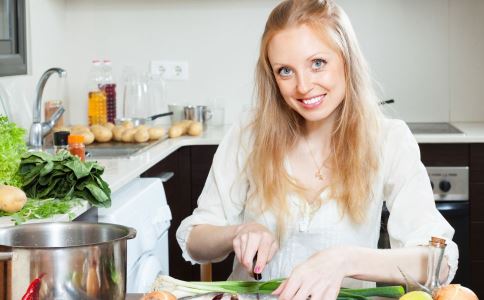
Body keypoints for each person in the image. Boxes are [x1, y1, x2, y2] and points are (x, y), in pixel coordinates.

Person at [176, 0, 459, 299]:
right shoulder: (250, 133)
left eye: (318, 63)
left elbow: (439, 263)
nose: (303, 86)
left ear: (346, 59)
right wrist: (238, 232)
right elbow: (195, 239)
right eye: (285, 71)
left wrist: (345, 260)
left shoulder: (389, 140)